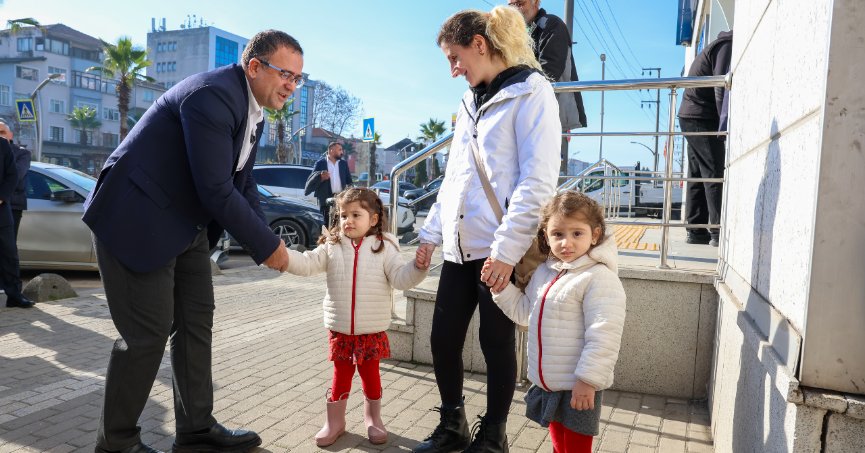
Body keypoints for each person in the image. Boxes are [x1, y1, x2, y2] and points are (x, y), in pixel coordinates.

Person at [82, 29, 300, 453]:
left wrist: (268, 241)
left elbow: (243, 183)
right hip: (136, 219)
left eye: (298, 78)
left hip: (185, 226)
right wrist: (267, 249)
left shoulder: (253, 110)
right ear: (255, 67)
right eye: (285, 74)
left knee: (196, 323)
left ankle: (196, 430)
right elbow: (216, 188)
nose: (292, 85)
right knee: (147, 334)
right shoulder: (213, 95)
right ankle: (116, 443)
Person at [413, 6, 561, 452]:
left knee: (495, 342)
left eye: (455, 58)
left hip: (498, 249)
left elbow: (537, 182)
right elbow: (455, 176)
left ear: (479, 44)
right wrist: (430, 234)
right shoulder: (468, 102)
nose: (453, 70)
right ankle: (452, 426)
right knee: (442, 339)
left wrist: (506, 251)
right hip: (459, 247)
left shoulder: (533, 92)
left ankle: (494, 436)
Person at [284, 187, 428, 447]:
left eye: (355, 215)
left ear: (373, 219)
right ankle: (335, 422)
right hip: (340, 328)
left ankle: (373, 419)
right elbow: (307, 263)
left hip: (371, 329)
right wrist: (283, 258)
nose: (347, 220)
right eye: (343, 215)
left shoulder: (385, 247)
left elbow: (400, 278)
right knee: (341, 374)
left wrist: (418, 268)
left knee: (370, 374)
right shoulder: (333, 245)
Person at [489, 191, 626, 452]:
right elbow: (525, 314)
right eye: (558, 234)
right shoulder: (545, 272)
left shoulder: (599, 278)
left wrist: (588, 380)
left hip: (579, 386)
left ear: (595, 234)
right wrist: (501, 288)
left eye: (577, 233)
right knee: (559, 446)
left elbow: (604, 335)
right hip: (550, 383)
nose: (566, 243)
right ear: (546, 236)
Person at [510, 0, 588, 172]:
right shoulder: (516, 33)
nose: (515, 9)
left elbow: (549, 70)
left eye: (520, 3)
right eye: (511, 5)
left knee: (540, 169)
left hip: (546, 110)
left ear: (535, 2)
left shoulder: (551, 24)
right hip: (525, 111)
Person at [678, 30, 733, 247]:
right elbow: (721, 87)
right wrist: (724, 125)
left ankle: (696, 231)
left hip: (691, 115)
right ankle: (717, 232)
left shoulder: (717, 45)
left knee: (698, 173)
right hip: (702, 116)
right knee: (713, 172)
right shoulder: (726, 46)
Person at [0, 137, 32, 309]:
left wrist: (1, 198)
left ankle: (14, 296)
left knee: (9, 254)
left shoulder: (2, 145)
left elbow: (12, 175)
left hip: (1, 210)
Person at [305, 141, 353, 227]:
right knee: (325, 223)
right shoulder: (320, 163)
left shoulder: (343, 164)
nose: (342, 152)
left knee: (338, 223)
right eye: (339, 150)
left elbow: (349, 181)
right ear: (331, 150)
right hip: (325, 199)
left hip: (340, 198)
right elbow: (312, 180)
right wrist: (321, 177)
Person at [0, 121, 30, 238]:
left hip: (13, 205)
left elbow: (16, 174)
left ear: (10, 135)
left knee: (8, 244)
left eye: (2, 132)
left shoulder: (22, 153)